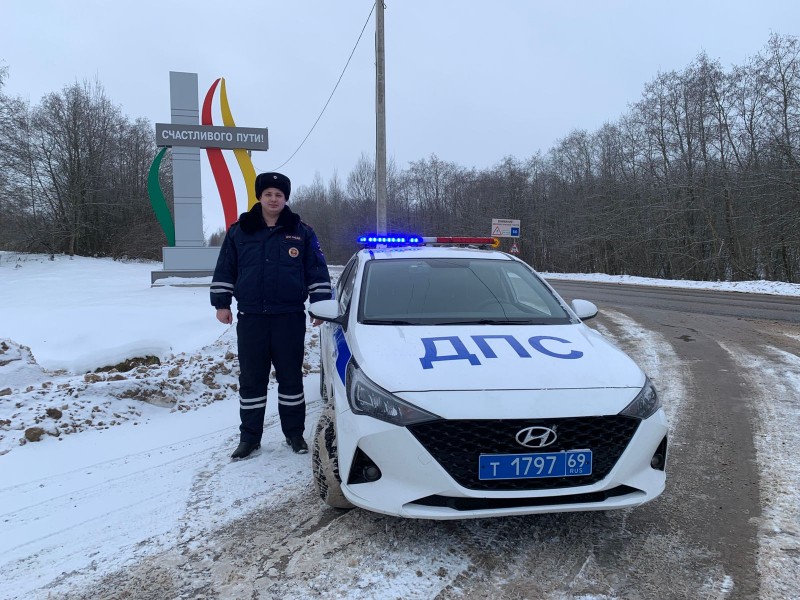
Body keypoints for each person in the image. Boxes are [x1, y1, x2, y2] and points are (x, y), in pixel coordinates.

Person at [210, 172, 332, 459]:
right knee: (252, 381)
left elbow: (316, 269)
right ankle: (249, 438)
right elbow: (226, 267)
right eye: (268, 194)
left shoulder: (302, 231)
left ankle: (294, 435)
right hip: (252, 317)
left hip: (288, 317)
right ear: (259, 197)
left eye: (279, 194)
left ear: (285, 198)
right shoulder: (240, 230)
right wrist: (221, 303)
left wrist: (320, 305)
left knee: (291, 380)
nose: (273, 199)